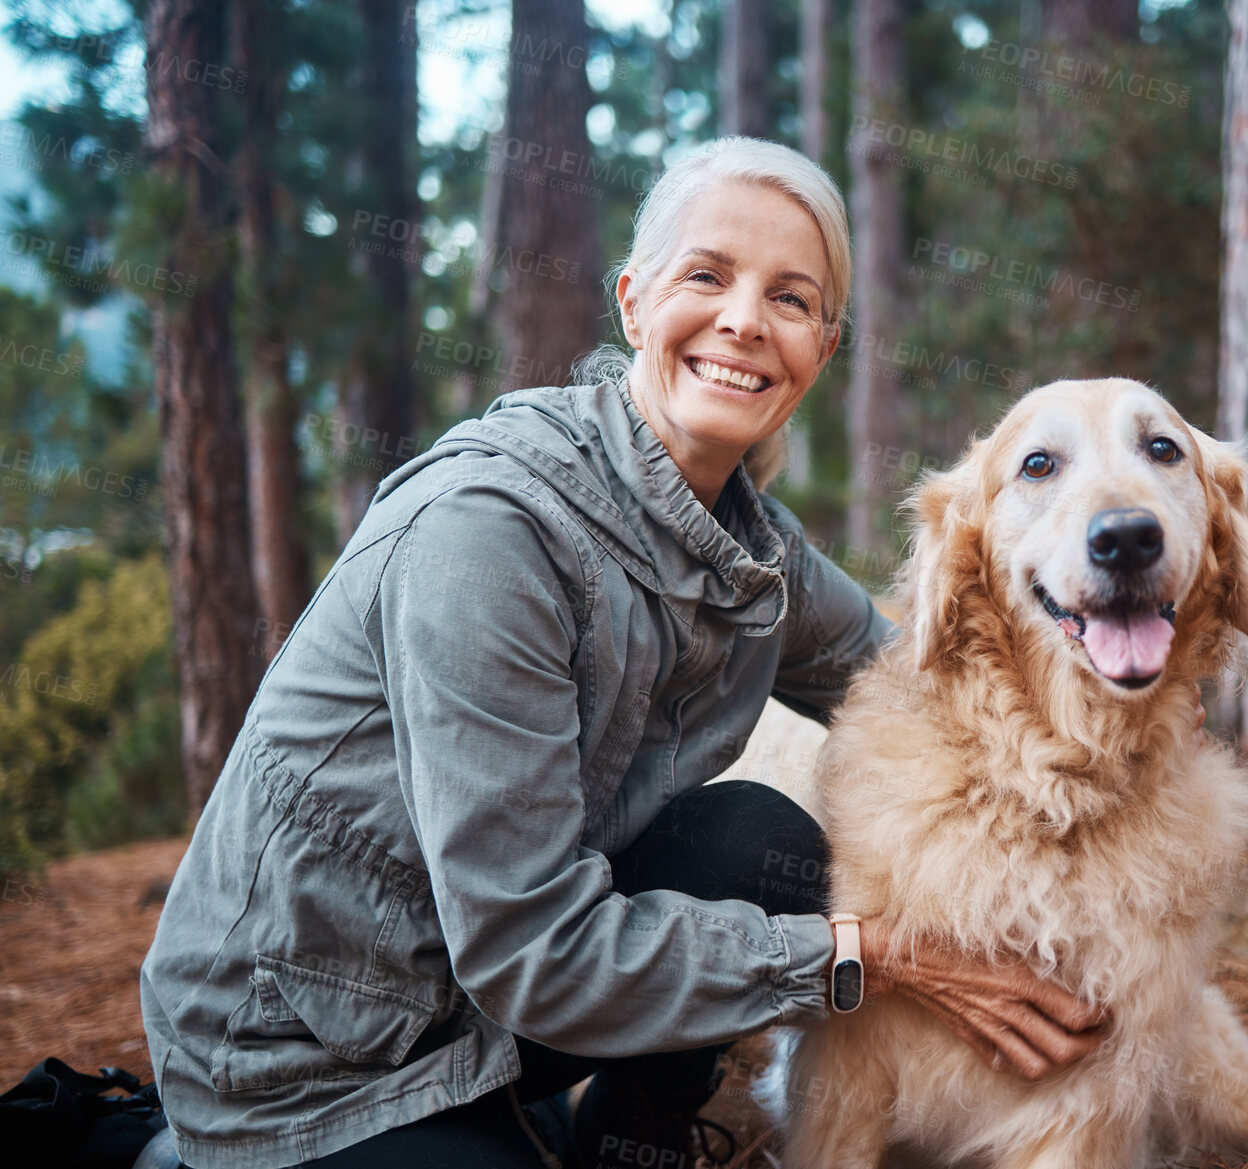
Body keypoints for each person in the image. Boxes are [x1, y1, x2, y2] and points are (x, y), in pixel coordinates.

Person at [138, 138, 1108, 1169]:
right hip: (307, 1043)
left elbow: (928, 687)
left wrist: (1101, 636)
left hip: (480, 997)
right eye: (706, 275)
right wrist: (867, 956)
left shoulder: (754, 550)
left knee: (752, 839)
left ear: (822, 347)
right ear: (633, 302)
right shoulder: (490, 535)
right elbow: (530, 952)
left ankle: (623, 1146)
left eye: (789, 297)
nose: (742, 319)